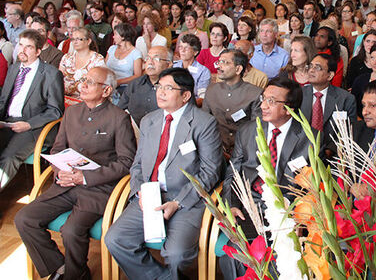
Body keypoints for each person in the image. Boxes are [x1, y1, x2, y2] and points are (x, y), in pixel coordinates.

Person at [15, 66, 136, 280]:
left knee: (71, 231)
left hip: (98, 188)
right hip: (66, 183)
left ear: (106, 91)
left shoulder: (118, 118)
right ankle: (61, 268)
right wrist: (59, 169)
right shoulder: (72, 112)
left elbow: (127, 162)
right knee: (25, 218)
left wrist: (86, 177)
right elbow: (57, 149)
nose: (83, 85)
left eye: (90, 82)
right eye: (83, 80)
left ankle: (75, 275)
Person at [105, 67, 223, 280]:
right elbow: (138, 164)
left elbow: (210, 172)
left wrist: (177, 202)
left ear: (185, 95)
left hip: (185, 199)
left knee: (177, 255)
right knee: (115, 239)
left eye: (168, 88)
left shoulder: (203, 123)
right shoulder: (149, 120)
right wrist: (139, 191)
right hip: (149, 196)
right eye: (159, 86)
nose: (160, 92)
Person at [219, 76, 313, 280]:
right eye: (264, 99)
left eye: (272, 101)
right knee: (234, 257)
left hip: (288, 210)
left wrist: (301, 217)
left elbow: (312, 186)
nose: (263, 105)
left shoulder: (309, 138)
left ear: (289, 108)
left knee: (278, 260)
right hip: (250, 205)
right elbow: (232, 173)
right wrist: (233, 204)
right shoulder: (248, 130)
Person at [0, 29, 64, 191]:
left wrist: (28, 125)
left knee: (9, 157)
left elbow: (55, 110)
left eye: (28, 47)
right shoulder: (14, 68)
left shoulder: (51, 74)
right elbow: (3, 100)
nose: (22, 50)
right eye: (20, 45)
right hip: (7, 122)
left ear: (38, 51)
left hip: (32, 126)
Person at [203, 49, 262, 157]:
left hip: (244, 151)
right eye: (219, 62)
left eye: (225, 62)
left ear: (238, 69)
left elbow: (256, 130)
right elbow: (204, 124)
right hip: (215, 149)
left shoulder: (255, 93)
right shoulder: (211, 90)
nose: (219, 66)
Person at [301, 53, 356, 157]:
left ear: (330, 75)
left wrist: (329, 151)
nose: (311, 70)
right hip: (301, 152)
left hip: (332, 155)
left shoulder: (345, 99)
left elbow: (349, 131)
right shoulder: (299, 94)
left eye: (317, 67)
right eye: (310, 66)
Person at [118, 46, 172, 125]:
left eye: (156, 59)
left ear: (169, 64)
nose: (150, 62)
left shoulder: (175, 87)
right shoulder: (135, 84)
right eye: (148, 58)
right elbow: (120, 110)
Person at [59, 27, 106, 99]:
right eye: (73, 39)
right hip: (64, 98)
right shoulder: (66, 58)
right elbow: (58, 79)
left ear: (88, 41)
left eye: (79, 39)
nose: (75, 42)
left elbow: (99, 86)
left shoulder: (97, 60)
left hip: (87, 100)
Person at [106, 23, 142, 103]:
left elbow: (137, 75)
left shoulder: (135, 53)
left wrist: (119, 82)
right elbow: (104, 67)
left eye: (115, 34)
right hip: (108, 84)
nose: (113, 37)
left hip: (125, 87)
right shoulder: (111, 49)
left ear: (123, 36)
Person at [173, 34, 210, 102]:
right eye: (180, 47)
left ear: (195, 52)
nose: (182, 50)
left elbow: (202, 98)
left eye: (186, 48)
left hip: (192, 104)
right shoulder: (174, 66)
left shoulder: (203, 71)